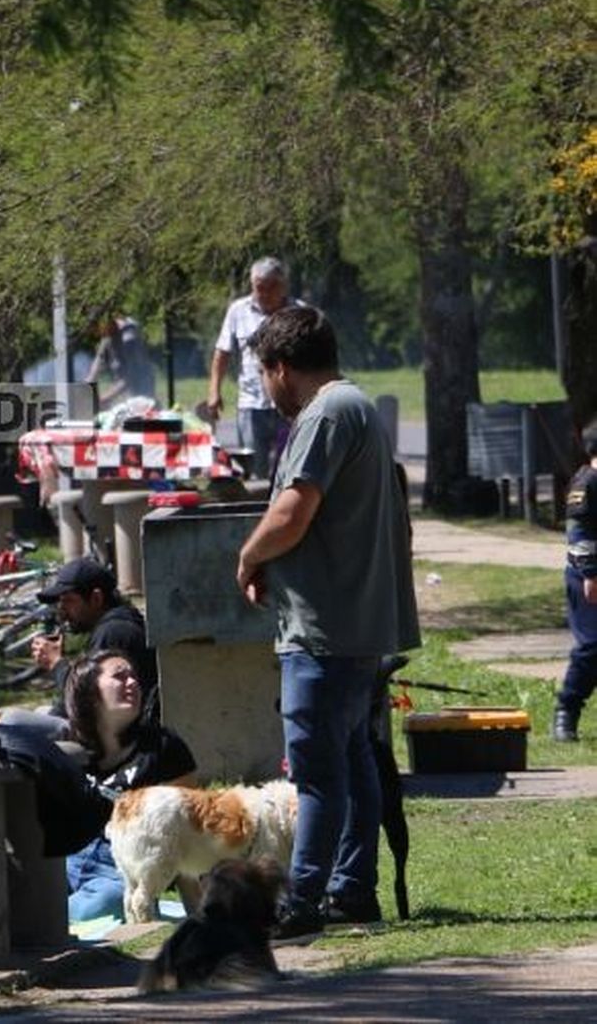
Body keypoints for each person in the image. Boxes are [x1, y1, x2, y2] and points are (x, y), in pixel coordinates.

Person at [234, 306, 420, 940]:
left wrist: (249, 554)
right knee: (352, 765)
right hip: (352, 626)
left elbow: (294, 510)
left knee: (315, 771)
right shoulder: (355, 408)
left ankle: (303, 900)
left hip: (325, 631)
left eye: (263, 374)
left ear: (281, 368)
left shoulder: (325, 414)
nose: (264, 388)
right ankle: (352, 889)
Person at [63, 651, 196, 922]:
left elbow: (186, 835)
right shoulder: (68, 747)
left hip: (119, 872)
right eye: (120, 676)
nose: (133, 682)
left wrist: (200, 915)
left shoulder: (162, 748)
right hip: (66, 862)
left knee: (107, 902)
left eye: (134, 676)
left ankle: (47, 918)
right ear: (89, 692)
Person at [0, 559, 156, 740]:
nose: (62, 610)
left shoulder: (113, 633)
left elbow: (86, 700)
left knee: (11, 721)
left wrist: (57, 664)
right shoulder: (115, 625)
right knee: (42, 711)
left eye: (69, 601)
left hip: (117, 737)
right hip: (109, 728)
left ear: (96, 598)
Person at [203, 257, 299, 479]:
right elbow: (222, 352)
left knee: (291, 468)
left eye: (270, 288)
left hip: (290, 404)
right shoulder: (238, 310)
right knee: (254, 471)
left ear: (282, 286)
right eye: (258, 287)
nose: (263, 293)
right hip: (251, 404)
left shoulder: (299, 312)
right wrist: (214, 391)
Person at [554, 421, 597, 741]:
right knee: (592, 647)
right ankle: (566, 711)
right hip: (589, 578)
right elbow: (579, 532)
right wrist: (590, 573)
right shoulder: (587, 482)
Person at [86, 314, 157, 407]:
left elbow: (130, 377)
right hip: (124, 389)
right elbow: (99, 358)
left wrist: (105, 398)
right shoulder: (109, 333)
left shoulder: (129, 339)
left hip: (140, 390)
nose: (96, 334)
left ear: (105, 323)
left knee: (139, 415)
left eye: (97, 329)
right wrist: (88, 383)